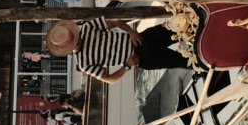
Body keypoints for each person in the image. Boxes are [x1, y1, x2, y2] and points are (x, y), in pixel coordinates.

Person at [45, 19, 190, 84]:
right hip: (140, 58)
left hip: (142, 38)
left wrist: (131, 32)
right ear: (69, 49)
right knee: (183, 61)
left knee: (182, 26)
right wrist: (126, 66)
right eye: (75, 42)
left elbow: (115, 22)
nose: (79, 40)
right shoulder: (84, 64)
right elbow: (109, 79)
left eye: (75, 38)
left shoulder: (87, 28)